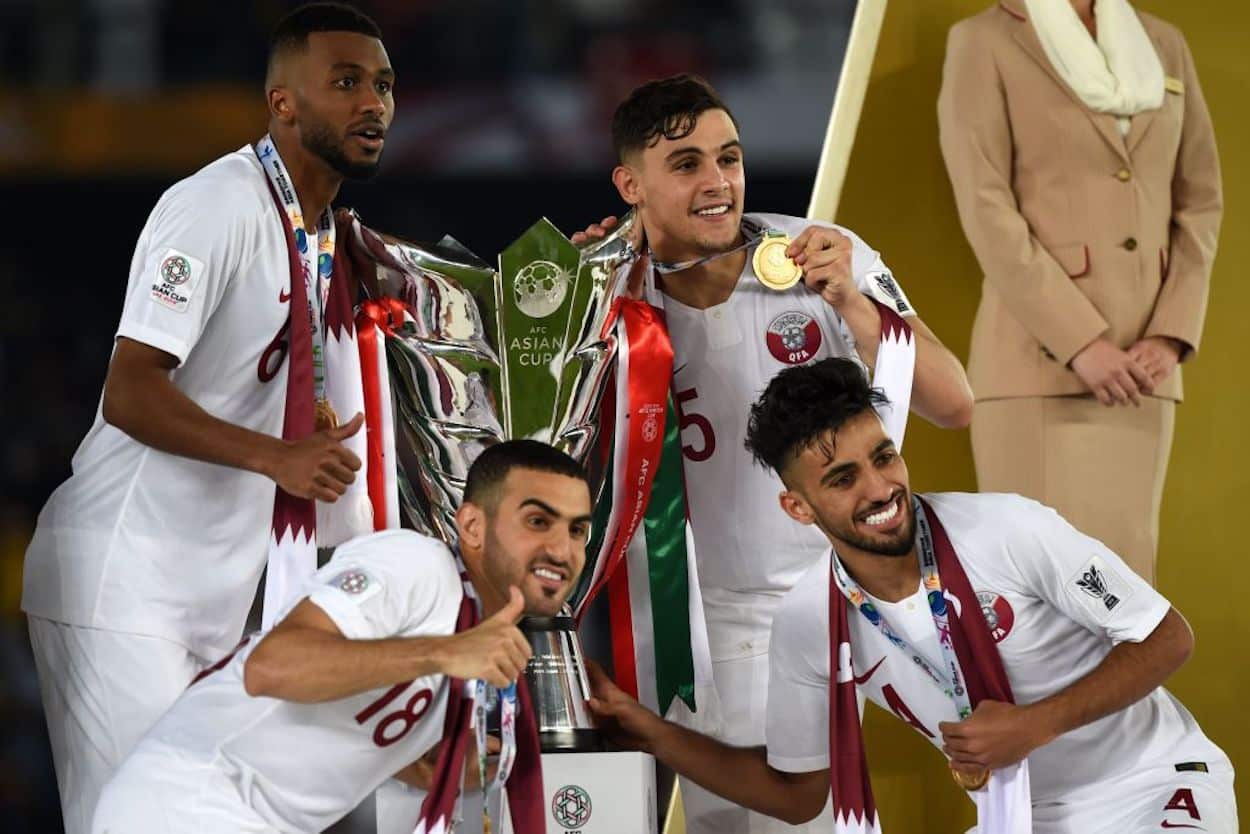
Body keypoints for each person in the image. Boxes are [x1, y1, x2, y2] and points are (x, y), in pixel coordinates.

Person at [21, 4, 396, 831]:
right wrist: (276, 457)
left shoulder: (329, 237)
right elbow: (130, 390)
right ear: (282, 102)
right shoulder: (216, 205)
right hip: (122, 580)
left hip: (216, 600)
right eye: (344, 82)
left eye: (382, 85)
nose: (372, 103)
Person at [589, 357, 1237, 834]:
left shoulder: (1009, 528)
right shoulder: (810, 622)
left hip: (1156, 780)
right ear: (798, 506)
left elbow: (1167, 635)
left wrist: (1035, 724)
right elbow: (796, 793)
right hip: (1022, 818)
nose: (880, 489)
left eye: (884, 457)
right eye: (843, 478)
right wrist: (654, 735)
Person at [574, 73, 974, 833]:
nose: (719, 182)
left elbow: (954, 402)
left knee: (810, 819)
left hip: (814, 603)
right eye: (686, 164)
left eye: (729, 157)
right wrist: (575, 317)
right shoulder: (609, 293)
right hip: (680, 615)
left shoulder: (819, 253)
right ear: (631, 183)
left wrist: (854, 302)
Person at [91, 439, 592, 834]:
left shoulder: (480, 641)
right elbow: (272, 667)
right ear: (472, 526)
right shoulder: (416, 565)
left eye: (577, 531)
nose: (561, 548)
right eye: (537, 521)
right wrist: (444, 653)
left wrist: (442, 765)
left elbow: (371, 736)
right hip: (190, 802)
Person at [938, 0, 1222, 584]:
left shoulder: (1163, 43)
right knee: (1045, 597)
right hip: (1036, 368)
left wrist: (1170, 336)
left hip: (1146, 372)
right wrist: (1081, 342)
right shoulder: (983, 41)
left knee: (1128, 595)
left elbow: (1200, 202)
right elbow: (985, 207)